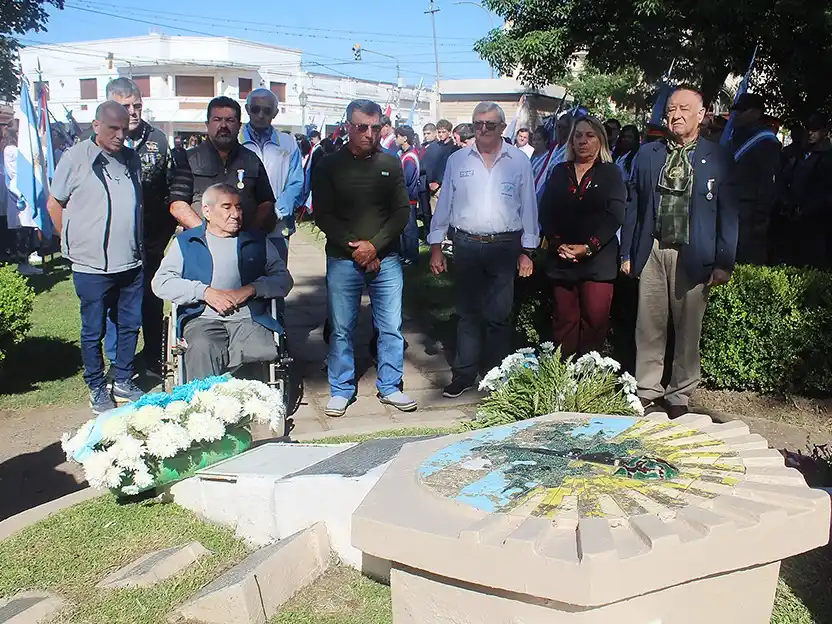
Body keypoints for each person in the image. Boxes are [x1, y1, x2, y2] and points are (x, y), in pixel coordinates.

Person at [620, 86, 738, 419]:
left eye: (685, 109)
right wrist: (627, 252)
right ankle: (647, 389)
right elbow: (635, 206)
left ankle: (680, 393)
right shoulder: (648, 154)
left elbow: (728, 212)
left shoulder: (717, 157)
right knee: (649, 324)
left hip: (694, 250)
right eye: (671, 109)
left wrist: (724, 260)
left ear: (701, 115)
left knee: (688, 328)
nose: (676, 115)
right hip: (653, 248)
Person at [428, 101, 539, 398]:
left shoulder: (518, 161)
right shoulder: (458, 160)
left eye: (491, 124)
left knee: (499, 316)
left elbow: (529, 206)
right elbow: (444, 205)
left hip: (504, 246)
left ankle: (496, 375)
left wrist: (527, 250)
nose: (484, 129)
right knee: (467, 314)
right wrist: (436, 246)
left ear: (503, 128)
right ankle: (464, 374)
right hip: (466, 244)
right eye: (479, 124)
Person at [311, 99, 414, 417]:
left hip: (386, 260)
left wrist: (376, 246)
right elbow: (323, 215)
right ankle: (341, 388)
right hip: (343, 260)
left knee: (391, 326)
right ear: (347, 127)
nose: (369, 133)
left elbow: (401, 212)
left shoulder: (391, 163)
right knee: (342, 327)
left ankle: (390, 385)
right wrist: (356, 248)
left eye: (375, 127)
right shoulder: (329, 164)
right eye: (361, 127)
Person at [46, 102, 146, 414]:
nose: (120, 135)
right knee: (93, 329)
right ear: (96, 125)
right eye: (113, 128)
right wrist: (71, 241)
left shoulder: (131, 159)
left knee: (129, 325)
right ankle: (96, 386)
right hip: (91, 265)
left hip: (130, 261)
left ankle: (123, 379)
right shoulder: (76, 157)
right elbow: (54, 203)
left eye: (124, 128)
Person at [152, 184, 292, 381]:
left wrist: (251, 289)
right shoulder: (187, 242)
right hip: (202, 318)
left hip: (249, 318)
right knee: (201, 346)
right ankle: (203, 405)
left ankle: (253, 406)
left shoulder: (257, 241)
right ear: (207, 211)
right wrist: (204, 292)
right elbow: (161, 282)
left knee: (259, 349)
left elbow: (283, 279)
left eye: (239, 207)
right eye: (227, 207)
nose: (235, 214)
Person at [102, 77, 188, 378]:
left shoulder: (158, 140)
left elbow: (171, 188)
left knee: (152, 300)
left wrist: (162, 237)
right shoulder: (96, 141)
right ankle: (117, 363)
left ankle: (153, 357)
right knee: (116, 305)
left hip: (151, 239)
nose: (133, 112)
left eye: (137, 105)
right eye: (126, 106)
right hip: (113, 242)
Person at [539, 116, 625, 356]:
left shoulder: (611, 173)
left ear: (600, 140)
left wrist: (588, 248)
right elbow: (546, 211)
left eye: (590, 135)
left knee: (594, 324)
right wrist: (559, 244)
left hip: (598, 262)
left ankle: (588, 382)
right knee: (564, 322)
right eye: (578, 135)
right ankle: (563, 379)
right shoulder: (559, 171)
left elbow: (616, 215)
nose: (583, 141)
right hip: (562, 259)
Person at [170, 96, 276, 234]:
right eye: (217, 119)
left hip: (243, 246)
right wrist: (207, 236)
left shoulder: (252, 160)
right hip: (201, 245)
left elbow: (266, 203)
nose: (223, 126)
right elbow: (177, 205)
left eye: (230, 120)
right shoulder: (188, 159)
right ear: (207, 124)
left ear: (239, 126)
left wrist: (250, 236)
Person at [241, 88, 304, 267]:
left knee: (275, 284)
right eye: (255, 109)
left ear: (275, 113)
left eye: (267, 110)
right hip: (242, 227)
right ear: (247, 109)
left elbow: (296, 182)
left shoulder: (288, 143)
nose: (260, 115)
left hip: (277, 228)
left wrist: (274, 212)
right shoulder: (236, 142)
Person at [727, 93, 781, 265]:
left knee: (745, 259)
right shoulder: (733, 136)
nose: (737, 115)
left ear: (757, 113)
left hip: (749, 212)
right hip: (730, 207)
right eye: (736, 110)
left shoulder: (766, 141)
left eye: (743, 110)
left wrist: (760, 216)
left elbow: (767, 183)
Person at [782, 112, 832, 268]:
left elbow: (826, 192)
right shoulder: (798, 153)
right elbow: (787, 180)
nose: (810, 133)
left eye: (815, 129)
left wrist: (807, 209)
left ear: (824, 131)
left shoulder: (828, 157)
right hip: (792, 217)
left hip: (816, 221)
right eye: (809, 128)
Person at [3, 130, 41, 275]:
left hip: (25, 191)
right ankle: (22, 264)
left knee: (27, 231)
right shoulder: (11, 149)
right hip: (18, 192)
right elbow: (24, 162)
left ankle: (26, 261)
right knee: (21, 232)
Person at [395, 125, 421, 265]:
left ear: (405, 138)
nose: (395, 138)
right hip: (404, 199)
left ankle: (412, 256)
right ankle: (405, 254)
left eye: (398, 136)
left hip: (408, 199)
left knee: (409, 230)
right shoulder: (404, 154)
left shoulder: (410, 157)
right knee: (404, 230)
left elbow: (405, 179)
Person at [530, 125, 557, 202]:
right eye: (534, 140)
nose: (535, 142)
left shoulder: (550, 157)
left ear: (545, 141)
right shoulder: (532, 157)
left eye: (539, 139)